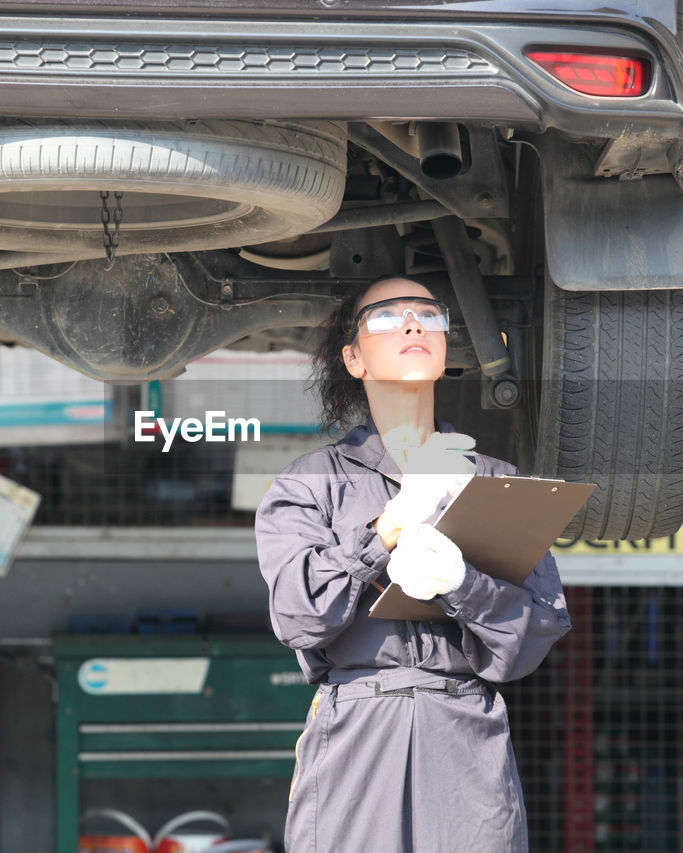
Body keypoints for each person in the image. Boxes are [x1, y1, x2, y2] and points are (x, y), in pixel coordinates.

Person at [254, 276, 571, 852]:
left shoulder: (494, 481)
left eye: (429, 315)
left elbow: (534, 636)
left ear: (446, 347)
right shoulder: (308, 484)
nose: (411, 325)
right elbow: (297, 617)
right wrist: (387, 529)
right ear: (353, 358)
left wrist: (463, 586)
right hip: (356, 731)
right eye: (386, 317)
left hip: (466, 734)